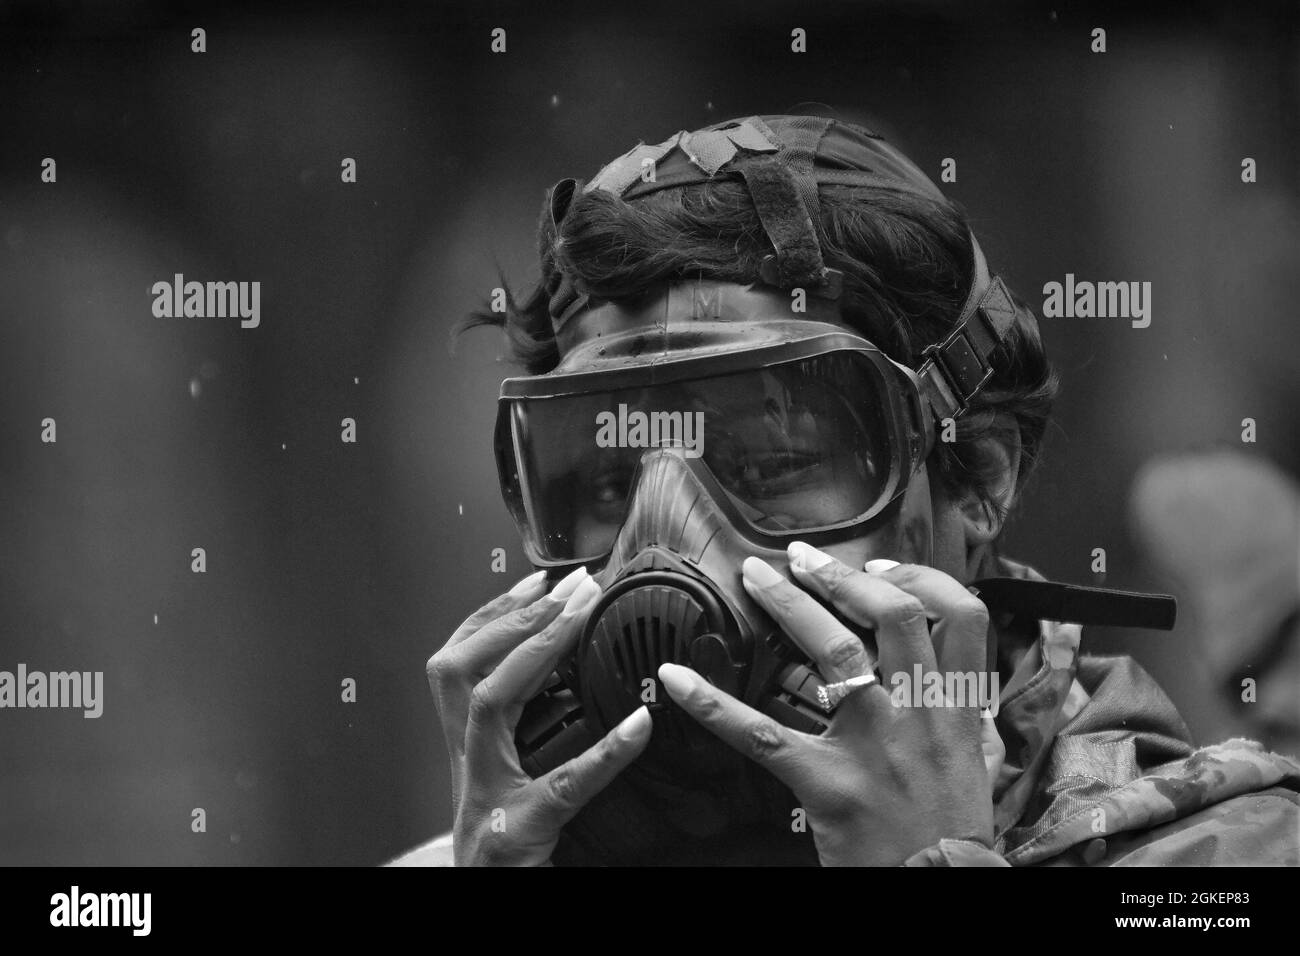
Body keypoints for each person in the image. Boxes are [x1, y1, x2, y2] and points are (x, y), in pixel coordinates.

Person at [390, 115, 1300, 866]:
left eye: (777, 465)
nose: (664, 549)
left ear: (977, 476)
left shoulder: (1228, 862)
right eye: (606, 476)